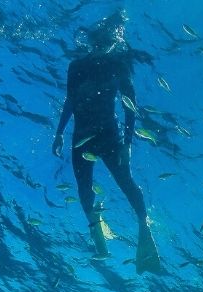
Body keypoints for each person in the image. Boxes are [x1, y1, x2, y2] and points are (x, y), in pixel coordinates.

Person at [52, 10, 162, 271]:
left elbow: (129, 105)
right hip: (82, 137)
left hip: (108, 135)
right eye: (101, 41)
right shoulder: (76, 67)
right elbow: (71, 100)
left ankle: (143, 227)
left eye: (108, 42)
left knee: (125, 182)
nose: (104, 46)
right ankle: (96, 229)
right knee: (84, 187)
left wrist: (128, 144)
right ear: (94, 41)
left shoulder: (119, 65)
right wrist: (59, 132)